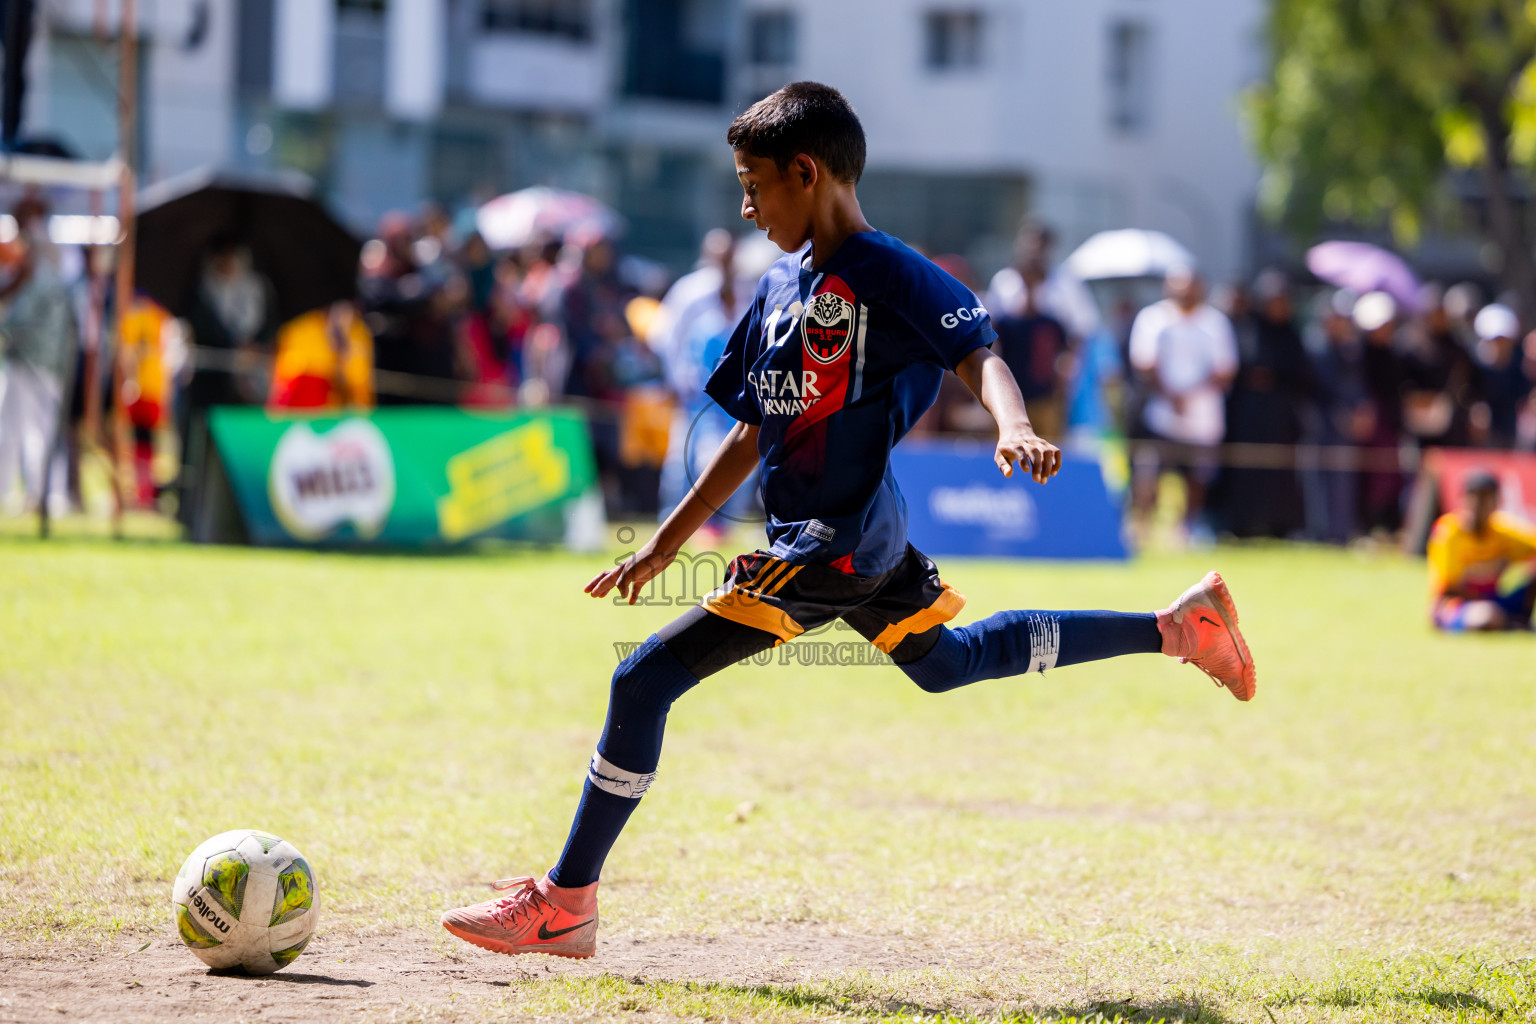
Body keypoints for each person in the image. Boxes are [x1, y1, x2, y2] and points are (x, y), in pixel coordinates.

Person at [439, 82, 1258, 960]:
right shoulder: (779, 286)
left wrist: (1015, 425)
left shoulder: (890, 271)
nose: (746, 206)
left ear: (808, 171)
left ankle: (566, 902)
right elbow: (751, 433)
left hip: (833, 548)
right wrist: (664, 547)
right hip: (856, 540)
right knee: (953, 662)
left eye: (755, 185)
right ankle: (1179, 630)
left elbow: (979, 355)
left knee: (641, 682)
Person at [1127, 266, 1238, 539]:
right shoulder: (1153, 318)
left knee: (1197, 479)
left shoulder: (1216, 322)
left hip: (1203, 419)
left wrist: (1190, 395)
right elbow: (1143, 363)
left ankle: (1187, 532)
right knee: (1148, 476)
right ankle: (1142, 531)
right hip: (1159, 416)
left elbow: (1225, 370)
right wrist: (1170, 396)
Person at [1428, 470, 1536, 631]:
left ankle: (1515, 620)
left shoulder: (1502, 530)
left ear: (1497, 502)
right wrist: (1490, 568)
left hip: (1494, 601)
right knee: (1486, 617)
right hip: (1456, 605)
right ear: (1462, 499)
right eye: (1474, 497)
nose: (1479, 504)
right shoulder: (1448, 533)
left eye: (1485, 498)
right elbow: (1450, 587)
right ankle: (1514, 623)